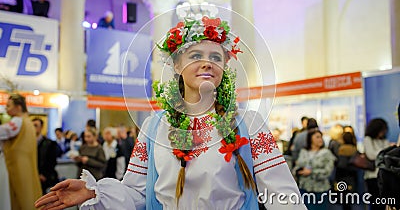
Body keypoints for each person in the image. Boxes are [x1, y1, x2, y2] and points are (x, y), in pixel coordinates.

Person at [35, 16, 305, 209]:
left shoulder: (249, 123)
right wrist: (94, 193)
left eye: (215, 57)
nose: (206, 64)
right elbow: (136, 192)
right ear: (176, 65)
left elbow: (283, 195)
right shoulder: (154, 127)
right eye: (195, 55)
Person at [0, 93, 41, 210]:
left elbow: (3, 132)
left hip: (14, 167)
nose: (6, 108)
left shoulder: (18, 121)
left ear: (18, 107)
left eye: (8, 106)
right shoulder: (29, 123)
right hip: (26, 167)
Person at [293, 129, 336, 210]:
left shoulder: (326, 153)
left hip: (320, 190)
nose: (320, 139)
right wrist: (298, 171)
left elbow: (328, 171)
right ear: (310, 139)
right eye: (317, 137)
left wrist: (311, 172)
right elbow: (297, 166)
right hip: (305, 188)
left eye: (321, 137)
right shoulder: (304, 151)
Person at [364, 118, 391, 210]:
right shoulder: (368, 139)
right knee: (375, 203)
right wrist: (385, 151)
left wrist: (382, 153)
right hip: (372, 176)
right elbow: (371, 155)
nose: (383, 132)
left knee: (384, 203)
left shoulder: (385, 140)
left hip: (385, 175)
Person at [32, 117, 59, 194]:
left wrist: (44, 175)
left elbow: (52, 161)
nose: (33, 128)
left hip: (44, 178)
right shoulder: (27, 144)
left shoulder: (49, 144)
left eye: (36, 125)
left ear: (41, 127)